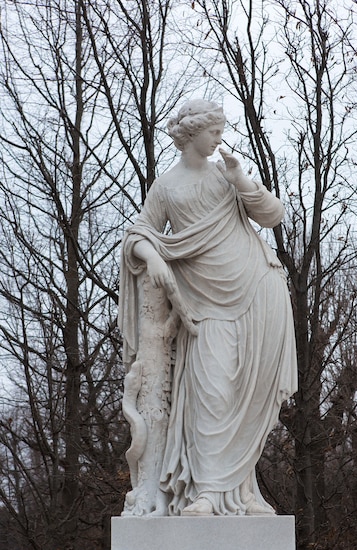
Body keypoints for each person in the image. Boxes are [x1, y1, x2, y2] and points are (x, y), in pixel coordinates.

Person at [119, 99, 297, 516]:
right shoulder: (166, 187)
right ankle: (208, 493)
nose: (219, 138)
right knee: (212, 394)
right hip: (204, 304)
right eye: (213, 131)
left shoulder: (226, 175)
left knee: (247, 398)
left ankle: (242, 494)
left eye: (221, 131)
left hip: (257, 289)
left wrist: (242, 179)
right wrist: (157, 257)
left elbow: (273, 216)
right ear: (193, 134)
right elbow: (138, 233)